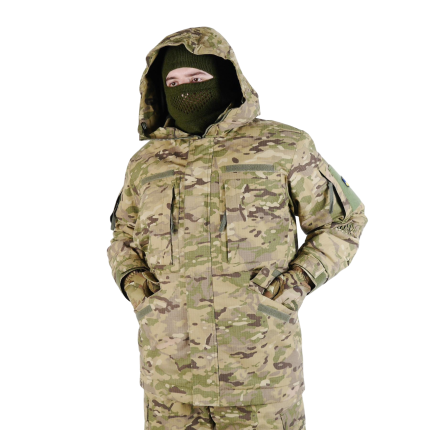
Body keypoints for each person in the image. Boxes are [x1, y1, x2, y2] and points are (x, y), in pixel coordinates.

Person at [107, 26, 368, 429]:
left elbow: (343, 221)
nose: (185, 90)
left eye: (197, 77)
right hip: (170, 379)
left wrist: (296, 283)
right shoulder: (146, 163)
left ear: (226, 77)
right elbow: (123, 236)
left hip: (260, 373)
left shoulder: (283, 146)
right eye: (173, 83)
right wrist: (135, 284)